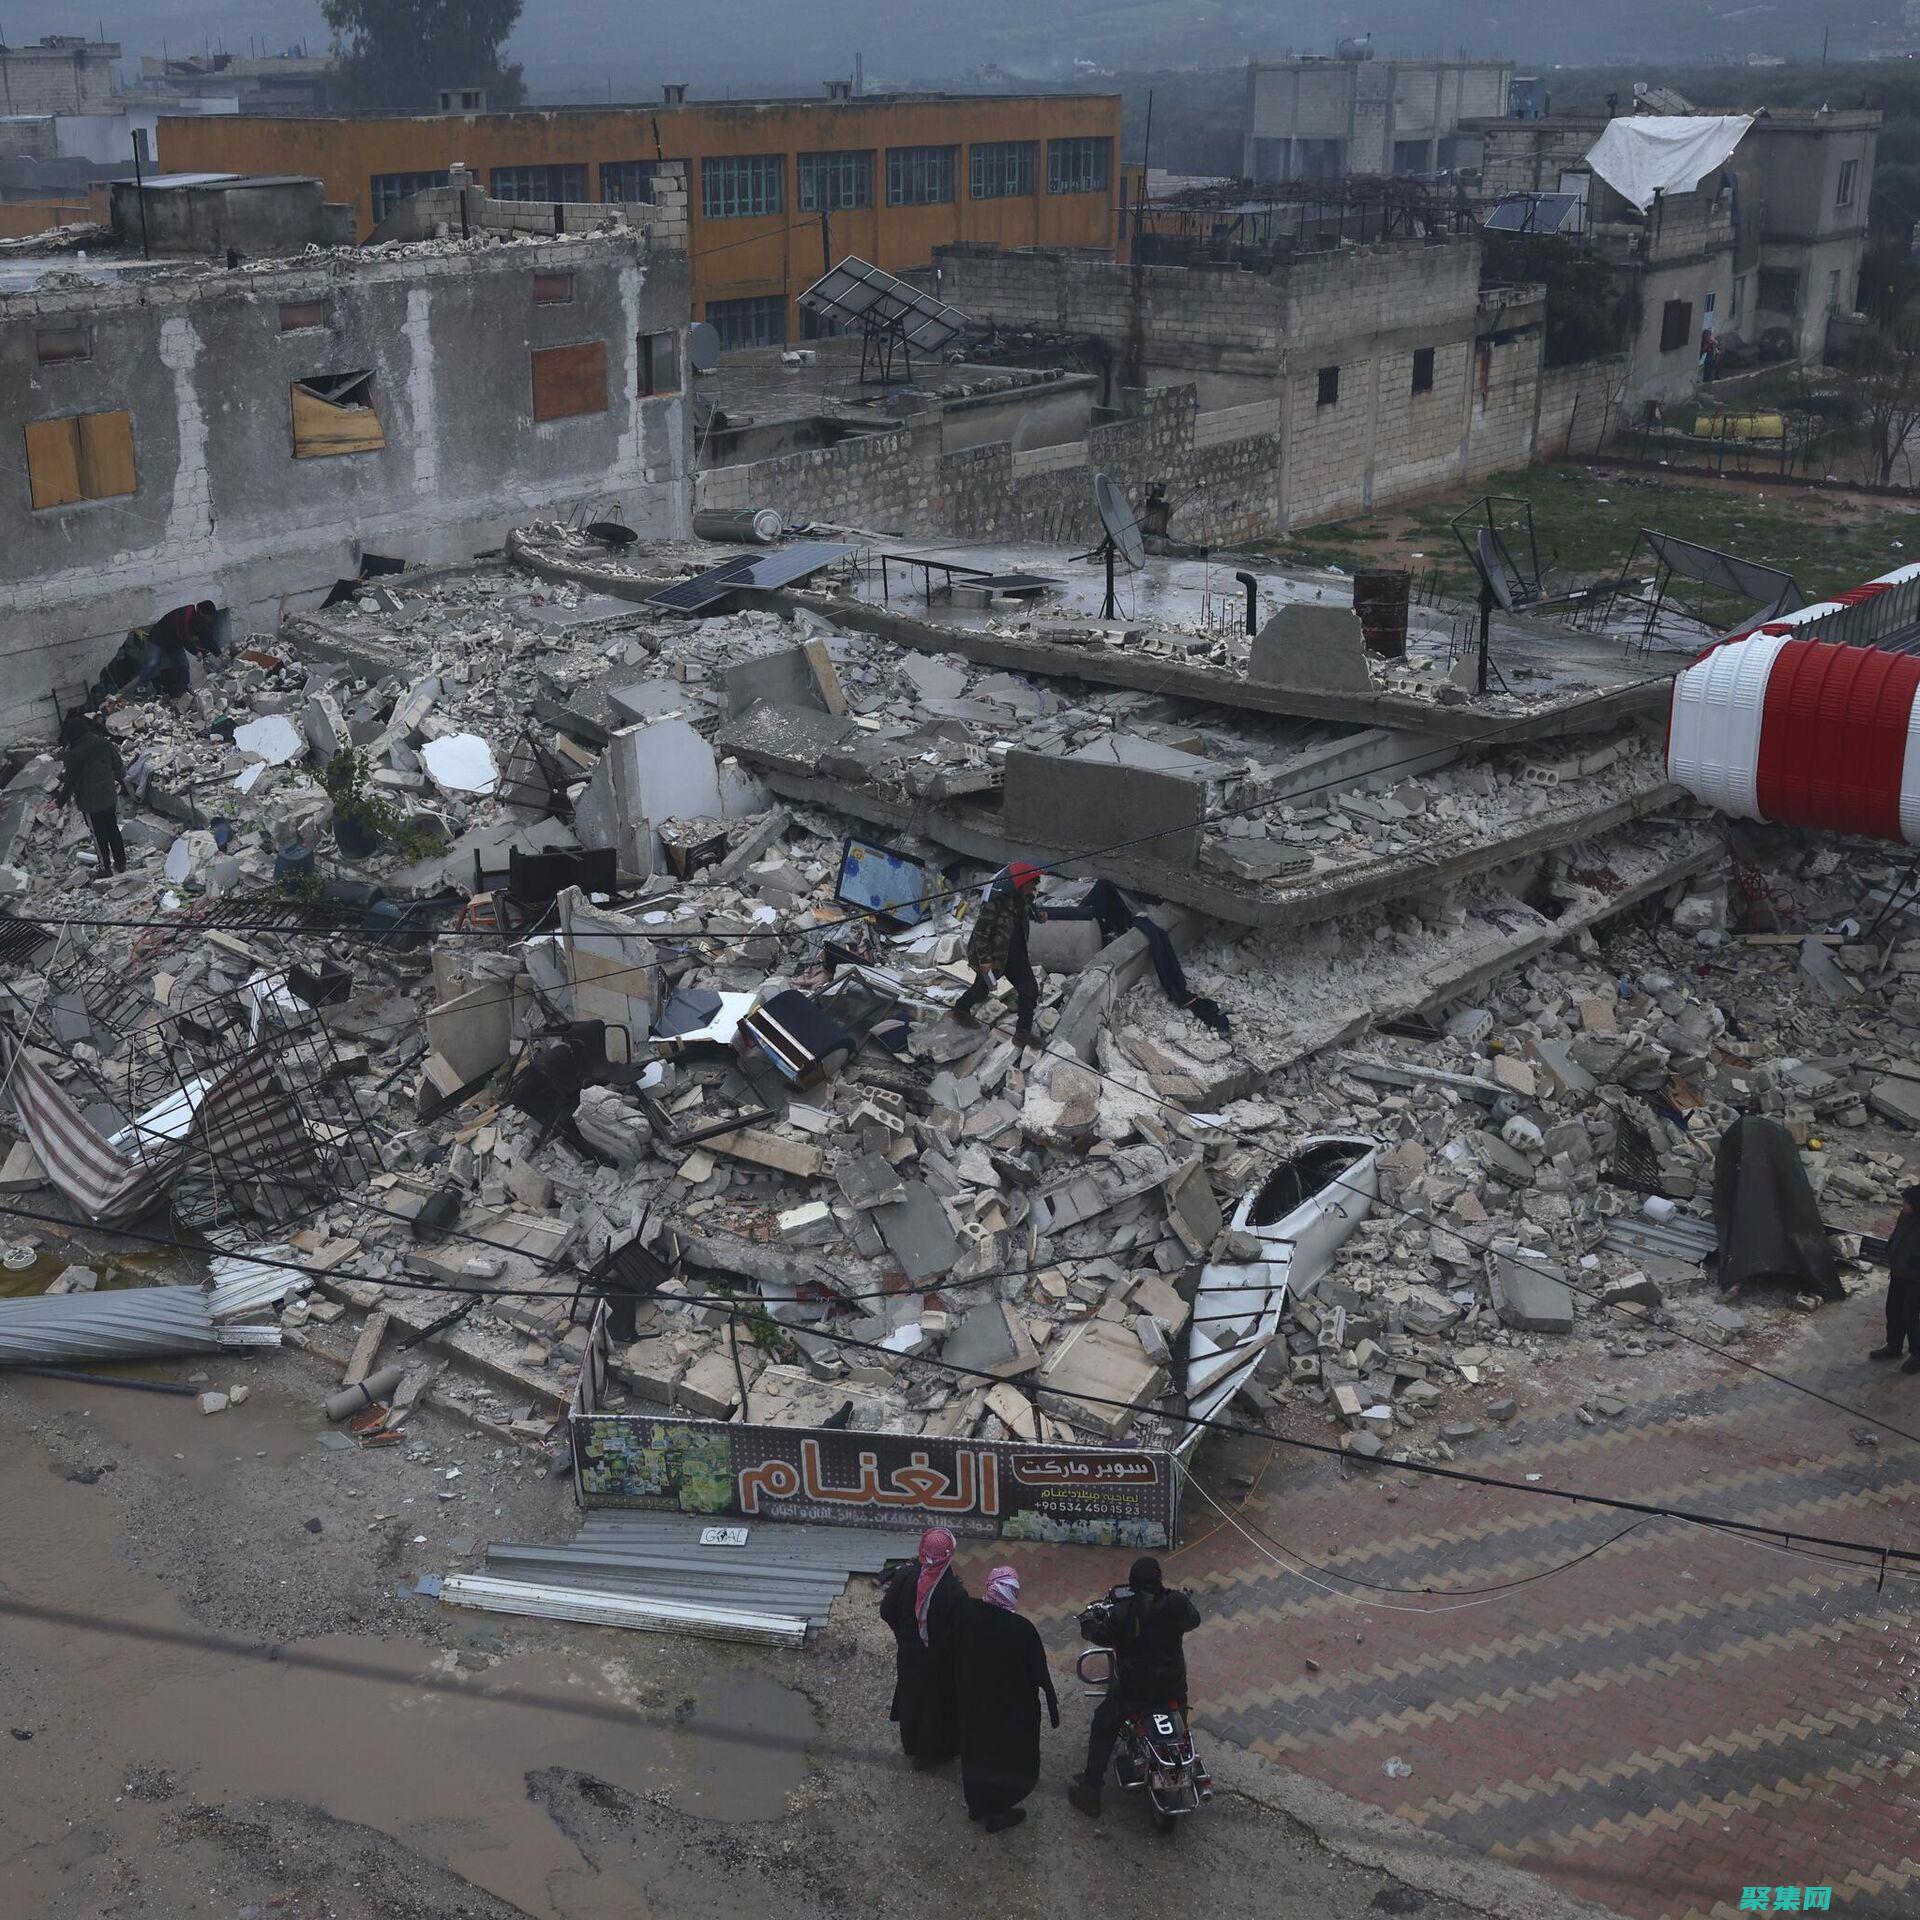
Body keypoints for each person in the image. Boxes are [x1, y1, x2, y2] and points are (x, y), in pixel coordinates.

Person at [1068, 1555, 1202, 1818]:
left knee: (1102, 1723)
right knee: (1181, 1718)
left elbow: (1098, 1634)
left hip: (1135, 1691)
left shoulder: (1123, 1612)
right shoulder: (1175, 1603)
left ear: (1133, 1584)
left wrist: (1086, 1621)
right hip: (1172, 1688)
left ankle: (1091, 1789)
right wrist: (1183, 1600)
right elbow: (1193, 1619)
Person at [954, 1565, 1059, 1833]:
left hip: (974, 1701)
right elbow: (1039, 1673)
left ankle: (977, 1804)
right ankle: (998, 1811)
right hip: (1010, 1709)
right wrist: (1051, 1704)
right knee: (1006, 1757)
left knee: (976, 1751)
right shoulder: (1022, 1629)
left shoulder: (968, 1612)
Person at [879, 1526, 965, 1769]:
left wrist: (904, 1636)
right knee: (937, 1705)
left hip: (909, 1654)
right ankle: (929, 1754)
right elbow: (959, 1631)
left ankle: (911, 1744)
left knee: (910, 1696)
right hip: (939, 1661)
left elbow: (887, 1611)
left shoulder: (905, 1577)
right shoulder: (954, 1592)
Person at [954, 862, 1047, 1048]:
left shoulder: (1025, 899)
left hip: (1015, 955)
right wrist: (985, 960)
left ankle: (1022, 1032)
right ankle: (960, 1010)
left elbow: (1030, 912)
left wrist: (1040, 916)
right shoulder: (996, 902)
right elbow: (981, 932)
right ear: (1020, 884)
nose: (1034, 889)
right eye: (1031, 884)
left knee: (1029, 989)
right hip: (993, 955)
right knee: (981, 991)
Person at [54, 713, 127, 877]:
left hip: (90, 802)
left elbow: (70, 782)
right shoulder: (104, 743)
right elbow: (118, 766)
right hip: (109, 795)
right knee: (113, 828)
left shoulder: (73, 755)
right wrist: (117, 780)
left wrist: (59, 802)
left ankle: (105, 868)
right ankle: (121, 863)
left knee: (98, 834)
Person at [1872, 1184, 1920, 1373]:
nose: (1904, 1205)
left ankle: (1917, 1354)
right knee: (1893, 1310)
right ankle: (1894, 1346)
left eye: (1907, 1202)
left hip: (1916, 1279)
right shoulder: (1906, 1215)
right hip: (1899, 1272)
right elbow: (1897, 1235)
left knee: (1911, 1316)